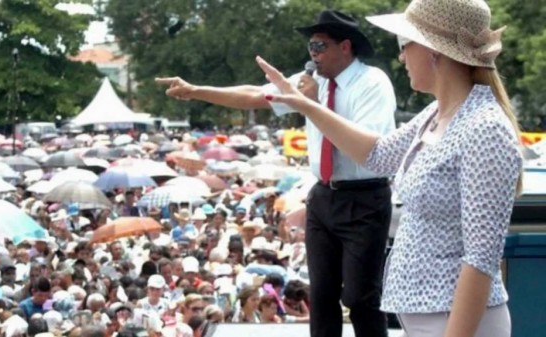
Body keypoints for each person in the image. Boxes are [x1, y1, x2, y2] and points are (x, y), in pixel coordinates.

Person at [254, 0, 523, 336]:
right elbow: (378, 154)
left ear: (432, 50)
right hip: (435, 318)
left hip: (456, 322)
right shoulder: (437, 114)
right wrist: (307, 106)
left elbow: (480, 260)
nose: (400, 57)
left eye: (404, 44)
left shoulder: (483, 128)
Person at [156, 9, 395, 337]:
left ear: (346, 47)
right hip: (325, 194)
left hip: (365, 195)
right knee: (322, 295)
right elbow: (255, 95)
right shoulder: (311, 83)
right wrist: (197, 90)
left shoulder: (372, 83)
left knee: (359, 296)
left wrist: (313, 105)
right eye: (310, 46)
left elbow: (364, 148)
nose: (313, 54)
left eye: (320, 46)